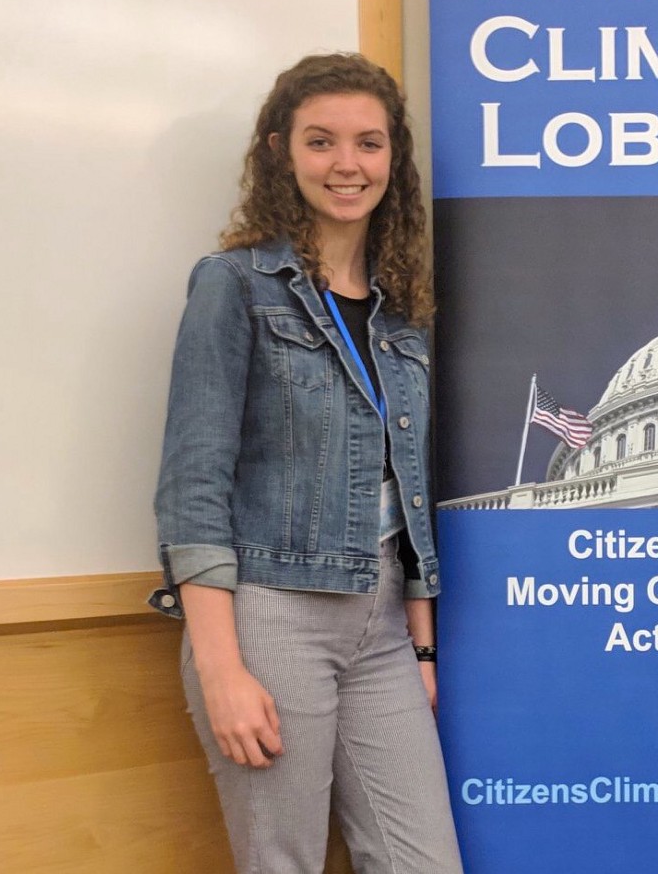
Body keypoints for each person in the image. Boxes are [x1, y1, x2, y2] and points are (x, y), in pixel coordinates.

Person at [149, 53, 463, 873]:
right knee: (283, 862)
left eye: (369, 143)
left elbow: (411, 498)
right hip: (271, 618)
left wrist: (421, 647)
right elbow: (193, 488)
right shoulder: (234, 286)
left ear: (394, 159)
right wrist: (221, 670)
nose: (347, 165)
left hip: (383, 626)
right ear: (281, 152)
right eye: (321, 142)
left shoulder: (405, 314)